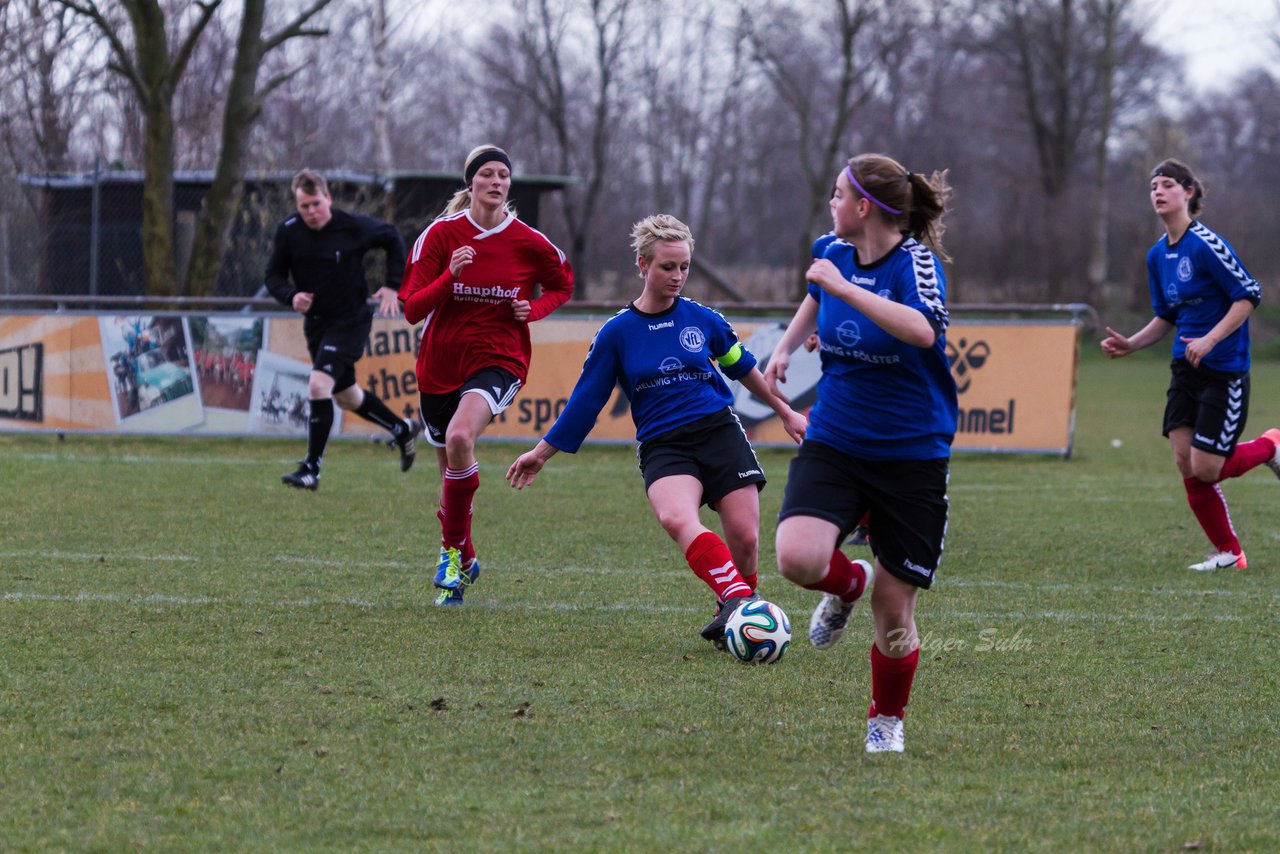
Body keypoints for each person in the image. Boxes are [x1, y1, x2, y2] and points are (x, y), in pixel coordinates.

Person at [506, 214, 808, 646]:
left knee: (744, 536)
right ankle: (742, 603)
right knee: (674, 517)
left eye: (684, 266)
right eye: (668, 266)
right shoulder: (616, 334)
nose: (678, 276)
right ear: (643, 264)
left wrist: (785, 411)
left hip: (719, 430)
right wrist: (541, 452)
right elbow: (586, 403)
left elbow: (743, 368)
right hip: (664, 444)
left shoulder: (704, 320)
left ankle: (735, 606)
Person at [764, 153, 956, 754]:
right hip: (837, 439)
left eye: (837, 193)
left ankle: (886, 720)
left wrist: (847, 288)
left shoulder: (914, 263)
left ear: (864, 206)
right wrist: (788, 347)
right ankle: (847, 584)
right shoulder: (833, 251)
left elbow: (924, 330)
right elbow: (819, 294)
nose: (831, 203)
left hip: (911, 454)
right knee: (796, 558)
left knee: (895, 613)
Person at [400, 144, 574, 606]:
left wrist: (532, 309)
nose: (496, 182)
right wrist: (448, 278)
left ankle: (450, 564)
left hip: (500, 358)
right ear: (471, 183)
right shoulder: (440, 237)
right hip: (439, 367)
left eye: (503, 175)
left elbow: (563, 283)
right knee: (448, 479)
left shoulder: (529, 241)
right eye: (487, 175)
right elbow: (412, 308)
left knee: (460, 439)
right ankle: (465, 555)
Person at [1101, 158, 1274, 572]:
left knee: (1207, 467)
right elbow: (1168, 316)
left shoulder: (1207, 244)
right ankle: (1230, 554)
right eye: (1152, 187)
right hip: (1185, 368)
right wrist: (1133, 344)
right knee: (1185, 461)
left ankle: (1272, 445)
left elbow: (1249, 294)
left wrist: (1212, 339)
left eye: (1165, 185)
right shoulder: (1156, 256)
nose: (1157, 192)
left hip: (1224, 369)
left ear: (1188, 192)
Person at [265, 168, 420, 490]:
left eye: (315, 204)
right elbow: (273, 277)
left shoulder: (351, 226)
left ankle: (311, 469)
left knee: (318, 385)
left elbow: (392, 236)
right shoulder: (289, 231)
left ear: (328, 199)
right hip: (317, 324)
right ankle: (402, 428)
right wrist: (290, 296)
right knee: (347, 396)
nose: (310, 212)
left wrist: (393, 286)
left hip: (350, 321)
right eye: (304, 206)